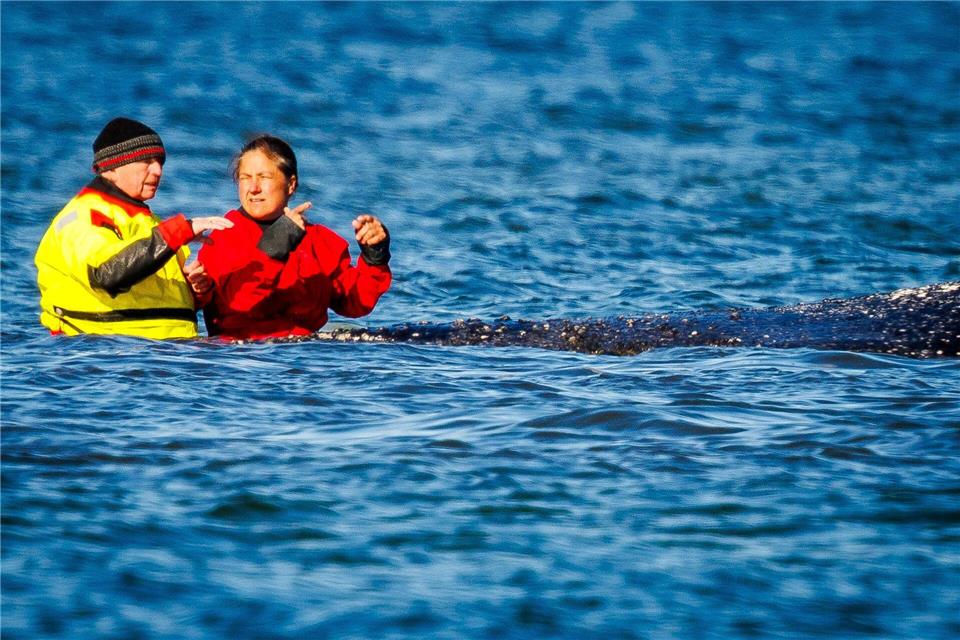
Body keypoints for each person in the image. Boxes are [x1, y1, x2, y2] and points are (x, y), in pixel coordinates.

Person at [34, 117, 232, 338]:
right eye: (146, 161)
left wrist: (195, 291)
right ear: (111, 168)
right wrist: (179, 231)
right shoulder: (81, 216)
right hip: (106, 351)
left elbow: (158, 304)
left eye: (160, 162)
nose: (158, 170)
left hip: (168, 351)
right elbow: (108, 274)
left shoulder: (152, 223)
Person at [197, 135, 392, 340]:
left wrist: (375, 255)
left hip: (306, 353)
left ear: (291, 185)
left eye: (264, 177)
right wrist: (277, 246)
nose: (253, 188)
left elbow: (355, 302)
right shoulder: (222, 237)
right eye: (245, 177)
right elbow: (240, 303)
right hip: (241, 353)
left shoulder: (318, 240)